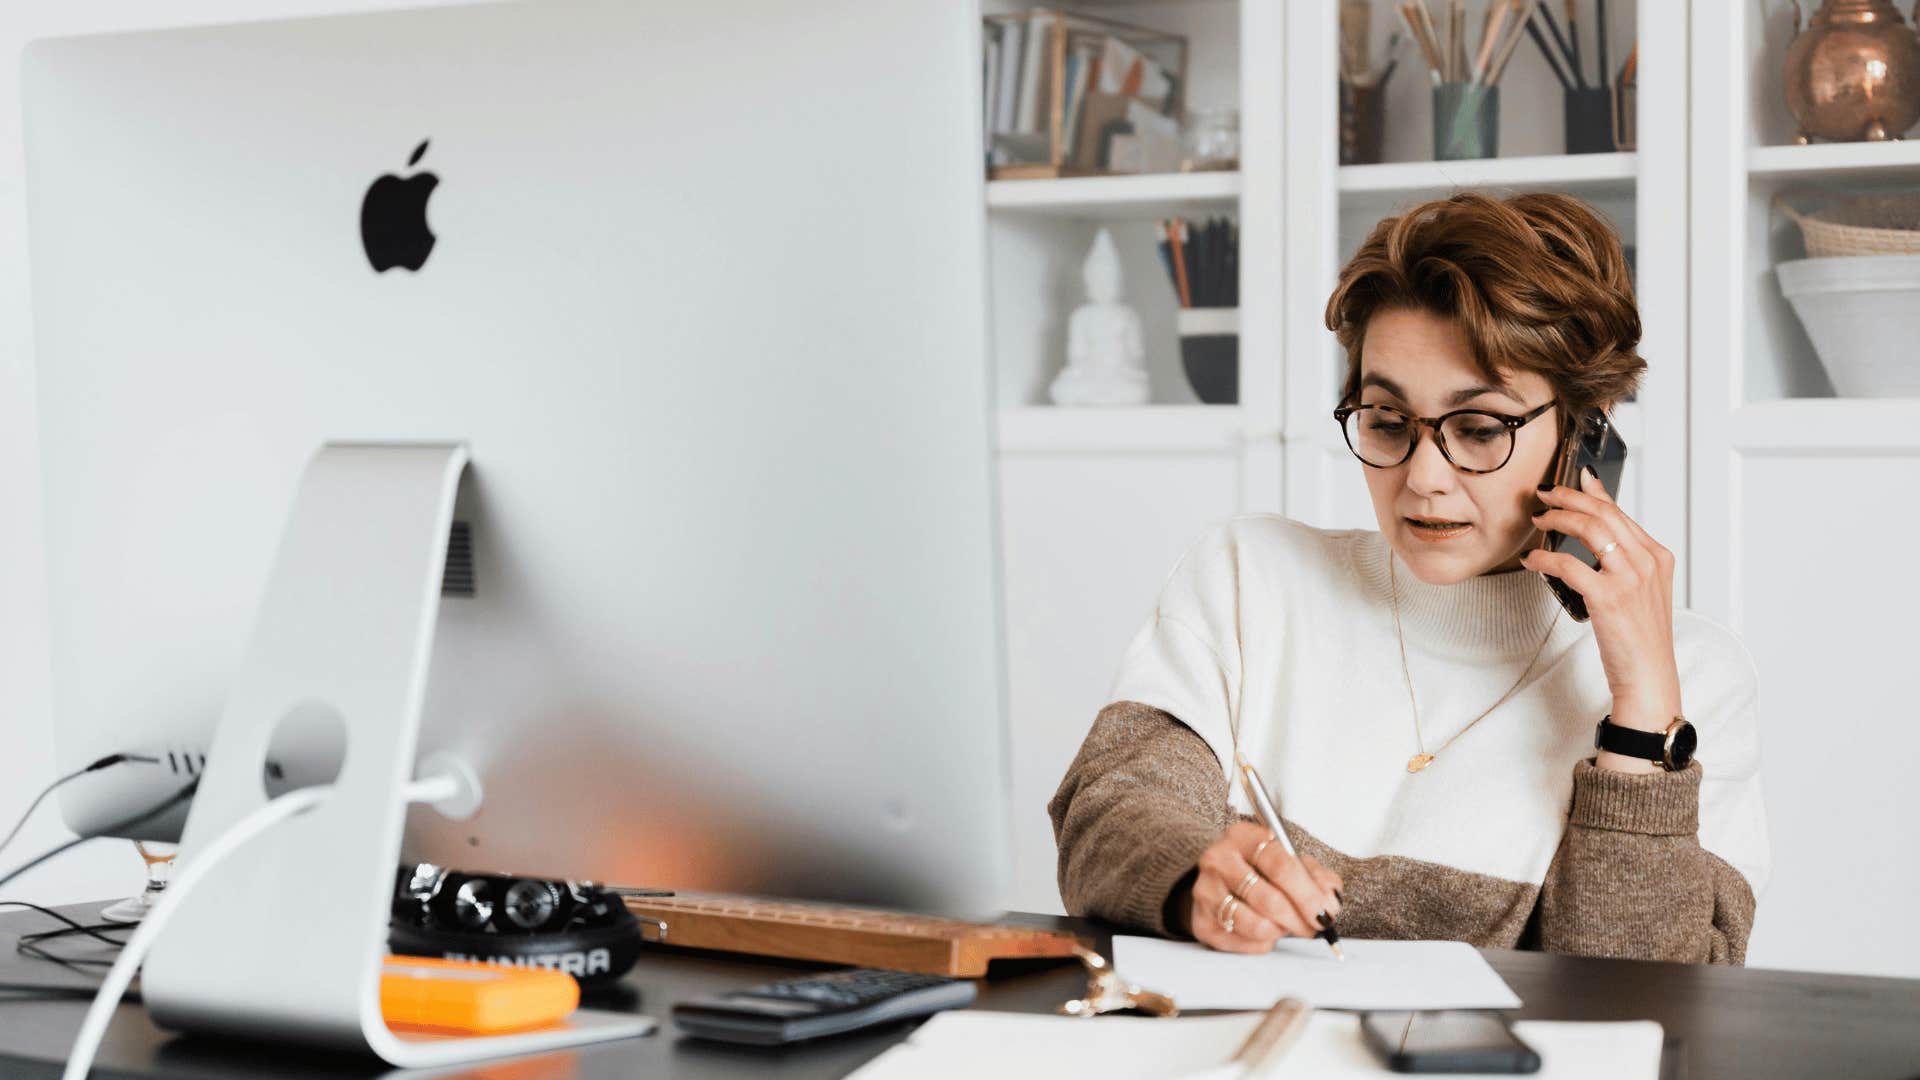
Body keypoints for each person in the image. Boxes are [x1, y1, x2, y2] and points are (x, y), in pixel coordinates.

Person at [1048, 192, 1766, 965]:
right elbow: (1108, 813)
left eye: (1480, 428)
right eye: (1388, 421)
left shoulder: (1689, 678)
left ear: (1583, 432)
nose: (1423, 477)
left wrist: (1640, 721)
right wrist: (1199, 879)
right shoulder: (1249, 577)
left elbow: (1640, 993)